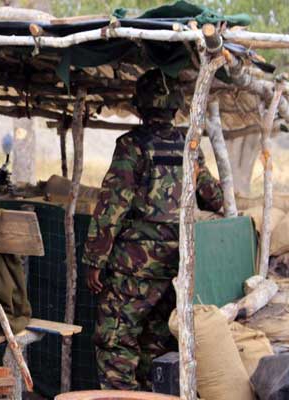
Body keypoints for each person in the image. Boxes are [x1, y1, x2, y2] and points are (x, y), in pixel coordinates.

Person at [82, 69, 224, 391]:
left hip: (134, 266)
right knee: (158, 344)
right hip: (178, 264)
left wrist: (94, 260)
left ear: (141, 107)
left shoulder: (131, 146)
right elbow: (214, 198)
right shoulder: (190, 146)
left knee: (116, 340)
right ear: (175, 107)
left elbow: (112, 206)